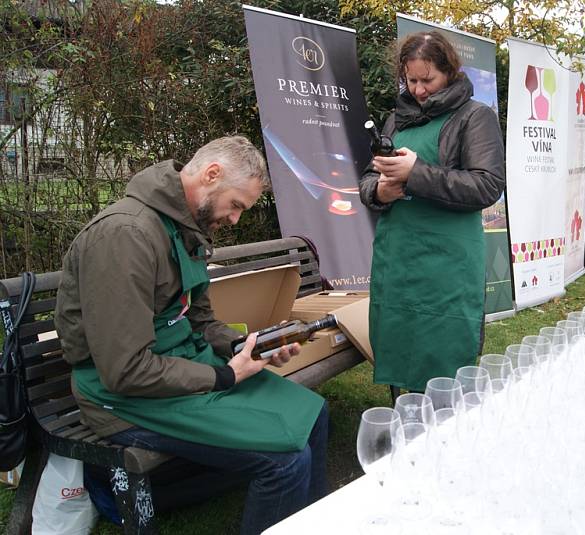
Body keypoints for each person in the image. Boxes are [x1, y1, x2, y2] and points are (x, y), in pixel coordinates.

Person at [54, 136, 328, 534]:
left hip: (183, 367)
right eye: (236, 205)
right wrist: (225, 376)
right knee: (285, 459)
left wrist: (245, 346)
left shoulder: (186, 229)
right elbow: (124, 371)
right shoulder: (125, 236)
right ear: (211, 174)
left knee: (314, 414)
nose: (235, 219)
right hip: (120, 397)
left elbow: (199, 321)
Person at [359, 32, 505, 399]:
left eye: (428, 80)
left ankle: (445, 441)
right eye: (412, 80)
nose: (420, 89)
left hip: (447, 268)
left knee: (446, 367)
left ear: (450, 72)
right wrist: (379, 191)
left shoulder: (475, 116)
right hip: (398, 262)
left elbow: (487, 186)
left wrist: (416, 174)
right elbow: (367, 179)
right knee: (399, 354)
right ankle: (403, 431)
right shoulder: (395, 121)